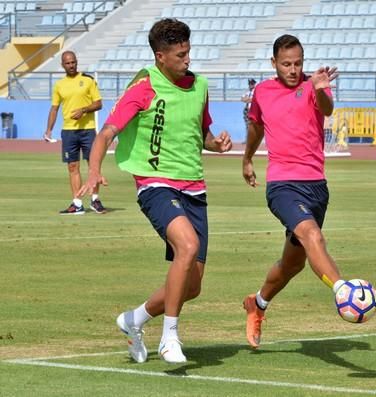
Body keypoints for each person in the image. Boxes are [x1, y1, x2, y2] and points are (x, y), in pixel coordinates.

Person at [77, 18, 233, 363]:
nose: (187, 60)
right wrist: (94, 170)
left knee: (192, 286)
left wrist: (217, 144)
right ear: (160, 56)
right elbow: (106, 134)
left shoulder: (200, 86)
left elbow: (202, 133)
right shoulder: (144, 87)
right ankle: (170, 337)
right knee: (187, 245)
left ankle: (134, 319)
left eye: (188, 52)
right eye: (180, 55)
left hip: (195, 187)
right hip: (155, 184)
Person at [241, 34, 350, 349]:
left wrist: (319, 88)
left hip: (316, 185)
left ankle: (257, 303)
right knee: (312, 235)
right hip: (282, 185)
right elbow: (257, 127)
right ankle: (343, 290)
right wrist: (247, 159)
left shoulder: (314, 85)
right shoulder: (262, 91)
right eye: (286, 64)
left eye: (297, 63)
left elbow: (327, 110)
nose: (292, 69)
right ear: (273, 63)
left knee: (293, 264)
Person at [44, 51, 106, 215]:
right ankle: (77, 204)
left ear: (76, 62)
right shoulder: (59, 85)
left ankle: (95, 200)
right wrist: (49, 129)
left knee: (93, 165)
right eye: (68, 63)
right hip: (69, 131)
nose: (71, 65)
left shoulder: (87, 80)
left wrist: (84, 110)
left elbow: (99, 103)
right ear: (63, 65)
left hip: (87, 130)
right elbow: (54, 108)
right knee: (72, 167)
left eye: (73, 62)